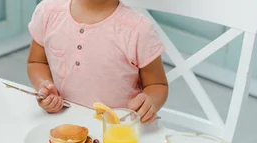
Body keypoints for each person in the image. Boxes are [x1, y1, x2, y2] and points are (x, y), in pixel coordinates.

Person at [27, 0, 168, 123]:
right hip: (60, 124)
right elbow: (36, 62)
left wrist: (150, 102)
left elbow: (157, 85)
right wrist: (44, 86)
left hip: (116, 132)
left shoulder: (138, 30)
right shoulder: (48, 12)